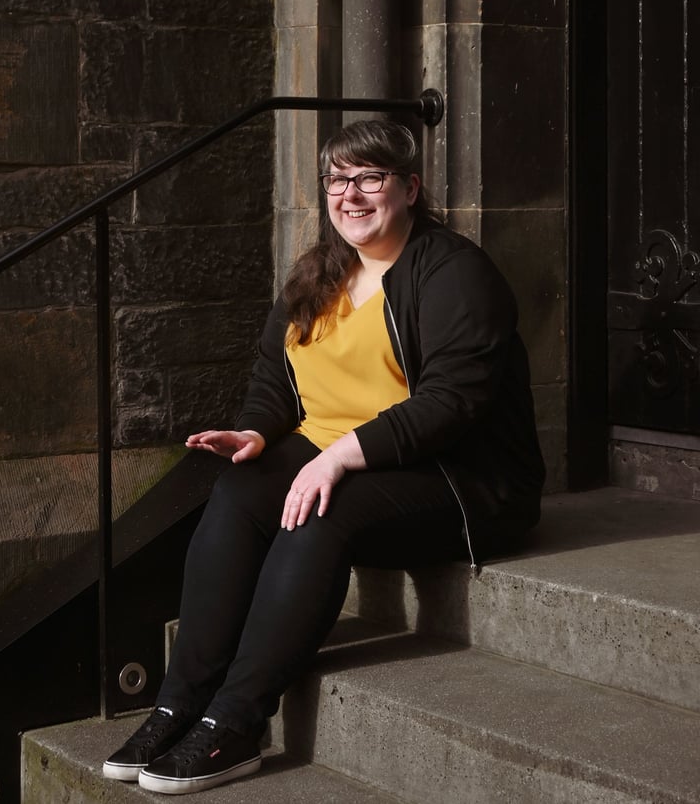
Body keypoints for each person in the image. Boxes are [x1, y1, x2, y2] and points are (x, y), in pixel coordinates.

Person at [102, 119, 545, 794]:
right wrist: (254, 433)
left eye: (371, 178)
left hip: (461, 480)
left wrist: (338, 458)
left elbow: (452, 403)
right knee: (239, 490)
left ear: (410, 189)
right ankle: (177, 703)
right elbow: (275, 376)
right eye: (338, 179)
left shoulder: (455, 273)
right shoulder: (321, 271)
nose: (352, 194)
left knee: (319, 512)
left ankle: (236, 723)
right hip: (349, 457)